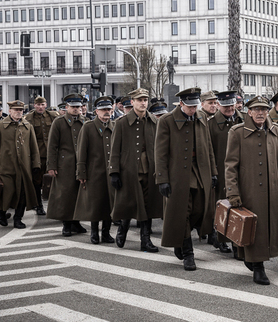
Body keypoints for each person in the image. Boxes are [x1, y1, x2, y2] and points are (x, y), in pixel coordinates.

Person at [224, 96, 278, 284]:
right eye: (257, 109)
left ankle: (254, 260)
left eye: (264, 109)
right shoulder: (237, 132)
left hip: (273, 190)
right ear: (249, 112)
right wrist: (233, 192)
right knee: (254, 229)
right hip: (249, 190)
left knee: (268, 228)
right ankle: (258, 267)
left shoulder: (276, 130)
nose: (261, 113)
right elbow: (231, 165)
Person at [155, 87, 218, 271]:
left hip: (200, 171)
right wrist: (162, 179)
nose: (193, 109)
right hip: (177, 175)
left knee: (199, 209)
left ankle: (180, 241)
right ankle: (188, 253)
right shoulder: (166, 121)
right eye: (189, 106)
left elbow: (208, 147)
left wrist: (213, 172)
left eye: (195, 106)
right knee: (183, 212)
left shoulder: (201, 117)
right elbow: (160, 153)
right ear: (181, 104)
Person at [109, 88, 162, 252]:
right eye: (139, 100)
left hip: (150, 169)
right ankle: (122, 229)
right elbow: (115, 149)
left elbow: (160, 148)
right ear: (132, 102)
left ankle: (145, 240)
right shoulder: (122, 123)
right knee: (129, 202)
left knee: (147, 205)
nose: (143, 103)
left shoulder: (154, 121)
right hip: (129, 169)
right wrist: (114, 172)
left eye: (145, 99)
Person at [0, 100, 41, 229]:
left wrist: (36, 164)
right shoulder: (0, 126)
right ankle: (1, 212)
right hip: (6, 166)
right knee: (7, 192)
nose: (18, 112)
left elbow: (34, 147)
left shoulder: (28, 126)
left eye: (21, 110)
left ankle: (18, 219)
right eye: (16, 110)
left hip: (24, 167)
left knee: (22, 194)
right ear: (10, 111)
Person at [74, 96, 117, 245]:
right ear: (96, 111)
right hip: (94, 172)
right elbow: (81, 151)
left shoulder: (115, 126)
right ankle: (94, 233)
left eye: (109, 109)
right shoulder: (88, 127)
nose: (107, 112)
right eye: (104, 109)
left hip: (111, 172)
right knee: (95, 203)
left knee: (109, 203)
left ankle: (106, 233)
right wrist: (81, 172)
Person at [46, 94, 87, 236]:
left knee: (79, 194)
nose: (76, 109)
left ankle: (76, 222)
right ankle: (66, 224)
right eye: (73, 107)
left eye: (78, 107)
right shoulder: (58, 122)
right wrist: (51, 165)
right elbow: (52, 146)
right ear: (67, 107)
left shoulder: (85, 122)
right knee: (65, 195)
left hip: (82, 163)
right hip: (65, 164)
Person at [207, 89, 241, 254]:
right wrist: (213, 172)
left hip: (241, 171)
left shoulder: (243, 119)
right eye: (226, 106)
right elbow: (208, 150)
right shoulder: (210, 124)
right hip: (221, 171)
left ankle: (236, 241)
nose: (230, 109)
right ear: (219, 105)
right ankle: (219, 236)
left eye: (232, 105)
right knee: (222, 206)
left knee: (238, 205)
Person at [24, 95, 58, 216]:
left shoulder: (53, 116)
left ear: (46, 105)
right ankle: (38, 205)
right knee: (37, 181)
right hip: (38, 153)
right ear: (34, 105)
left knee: (55, 180)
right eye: (38, 105)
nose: (40, 107)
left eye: (42, 105)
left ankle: (55, 205)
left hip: (52, 153)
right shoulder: (28, 118)